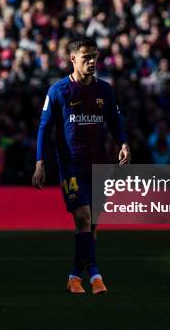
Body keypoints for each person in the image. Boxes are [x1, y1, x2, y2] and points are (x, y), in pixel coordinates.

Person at [32, 36, 131, 294]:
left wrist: (123, 143)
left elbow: (115, 121)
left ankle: (75, 275)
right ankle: (95, 275)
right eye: (86, 57)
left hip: (100, 164)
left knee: (93, 223)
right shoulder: (58, 91)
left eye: (94, 57)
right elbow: (44, 128)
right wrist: (40, 163)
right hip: (72, 164)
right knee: (83, 218)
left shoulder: (104, 90)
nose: (91, 62)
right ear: (72, 59)